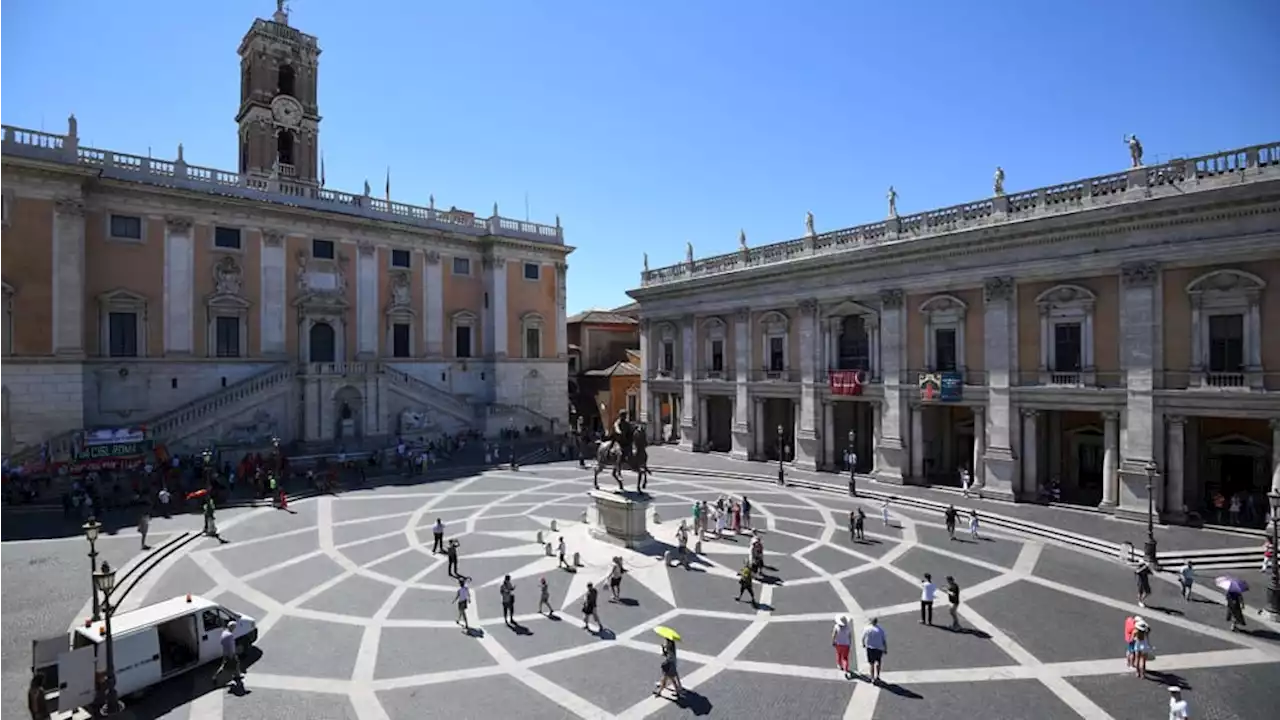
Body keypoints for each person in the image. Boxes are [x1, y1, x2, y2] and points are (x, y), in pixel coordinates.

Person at [213, 621, 242, 687]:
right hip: (230, 654)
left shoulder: (224, 632)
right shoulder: (230, 635)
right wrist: (232, 655)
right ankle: (216, 678)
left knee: (236, 663)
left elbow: (222, 642)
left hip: (225, 652)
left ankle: (237, 676)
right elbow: (231, 646)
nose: (234, 629)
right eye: (234, 627)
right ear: (231, 627)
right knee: (225, 668)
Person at [860, 617, 887, 684]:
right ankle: (877, 676)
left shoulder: (867, 628)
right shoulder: (880, 630)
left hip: (870, 648)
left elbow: (863, 637)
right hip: (879, 648)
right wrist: (885, 649)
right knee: (878, 662)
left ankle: (872, 678)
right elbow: (884, 640)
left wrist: (863, 644)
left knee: (871, 664)